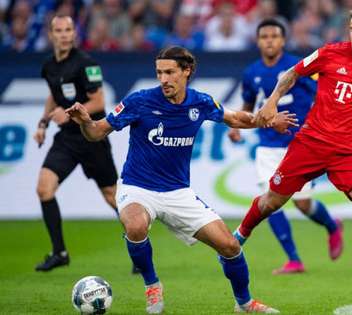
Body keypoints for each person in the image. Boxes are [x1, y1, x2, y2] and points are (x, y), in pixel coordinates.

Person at [65, 46, 297, 314]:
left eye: (170, 72)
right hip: (138, 187)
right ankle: (152, 286)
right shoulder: (139, 101)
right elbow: (95, 133)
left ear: (186, 72)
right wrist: (84, 121)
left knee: (230, 246)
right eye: (159, 73)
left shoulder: (200, 102)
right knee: (136, 226)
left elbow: (236, 118)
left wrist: (266, 122)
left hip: (178, 193)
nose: (163, 79)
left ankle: (244, 303)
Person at [233, 4, 352, 302]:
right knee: (272, 201)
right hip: (311, 143)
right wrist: (271, 102)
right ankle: (239, 236)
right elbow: (291, 74)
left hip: (351, 151)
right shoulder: (329, 53)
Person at [228, 18, 343, 275]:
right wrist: (236, 126)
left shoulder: (299, 68)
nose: (269, 40)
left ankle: (333, 226)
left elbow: (322, 93)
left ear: (283, 40)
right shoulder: (251, 72)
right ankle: (294, 259)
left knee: (303, 204)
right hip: (267, 146)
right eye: (264, 36)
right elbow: (248, 104)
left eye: (274, 36)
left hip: (300, 145)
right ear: (258, 41)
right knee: (268, 200)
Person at [34, 15, 118, 272]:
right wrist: (43, 123)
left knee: (112, 196)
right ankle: (59, 252)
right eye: (58, 30)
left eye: (68, 30)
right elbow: (53, 93)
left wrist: (68, 112)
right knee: (44, 189)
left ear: (74, 33)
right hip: (67, 140)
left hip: (91, 136)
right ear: (51, 34)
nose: (64, 35)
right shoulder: (49, 66)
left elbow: (99, 103)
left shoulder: (86, 63)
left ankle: (139, 246)